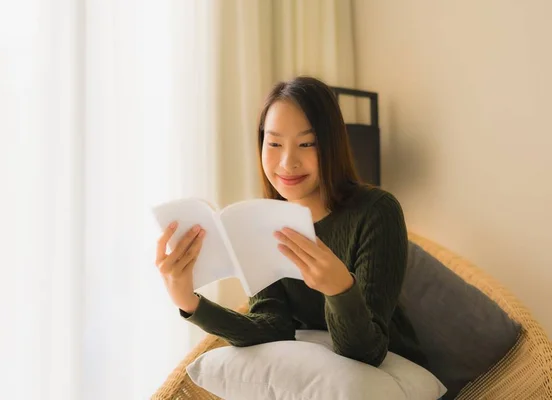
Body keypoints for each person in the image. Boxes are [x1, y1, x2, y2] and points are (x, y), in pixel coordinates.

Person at [154, 76, 427, 368]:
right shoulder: (260, 221)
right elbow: (272, 327)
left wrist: (339, 289)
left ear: (332, 144)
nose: (287, 162)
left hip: (393, 374)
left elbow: (366, 352)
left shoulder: (377, 212)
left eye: (306, 143)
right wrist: (189, 302)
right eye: (274, 143)